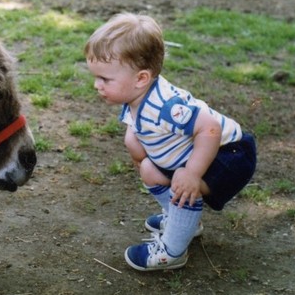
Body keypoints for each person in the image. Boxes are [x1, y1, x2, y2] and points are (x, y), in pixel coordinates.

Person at [85, 13, 257, 271]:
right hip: (191, 154)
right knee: (149, 170)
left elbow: (209, 128)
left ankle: (172, 251)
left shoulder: (165, 106)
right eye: (96, 77)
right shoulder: (135, 97)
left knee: (183, 185)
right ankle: (186, 222)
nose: (97, 85)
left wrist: (192, 173)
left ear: (141, 78)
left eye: (105, 79)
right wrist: (134, 141)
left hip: (228, 155)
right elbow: (139, 128)